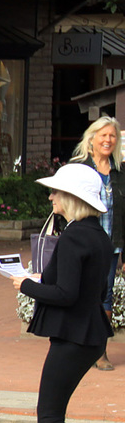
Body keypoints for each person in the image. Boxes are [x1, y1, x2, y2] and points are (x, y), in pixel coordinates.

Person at [9, 162, 125, 423]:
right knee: (52, 415)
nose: (51, 197)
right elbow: (93, 286)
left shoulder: (75, 235)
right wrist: (48, 277)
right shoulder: (96, 235)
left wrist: (27, 284)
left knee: (49, 420)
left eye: (57, 192)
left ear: (73, 198)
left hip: (73, 336)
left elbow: (66, 294)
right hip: (87, 334)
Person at [69, 115, 122, 370]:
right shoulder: (79, 168)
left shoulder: (121, 172)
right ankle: (77, 347)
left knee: (105, 296)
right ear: (92, 139)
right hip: (83, 243)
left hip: (111, 247)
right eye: (103, 135)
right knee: (79, 292)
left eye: (112, 136)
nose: (108, 140)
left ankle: (99, 352)